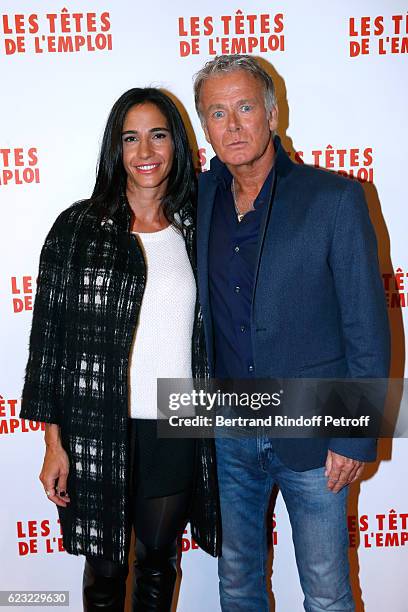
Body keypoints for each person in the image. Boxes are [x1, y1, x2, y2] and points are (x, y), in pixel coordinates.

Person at [193, 55, 390, 611]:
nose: (232, 125)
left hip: (314, 432)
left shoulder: (335, 198)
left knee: (327, 594)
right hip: (229, 433)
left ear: (273, 114)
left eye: (245, 108)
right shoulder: (201, 199)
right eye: (217, 113)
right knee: (237, 587)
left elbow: (366, 329)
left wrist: (354, 434)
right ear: (205, 126)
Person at [20, 87, 220, 612]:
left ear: (176, 144)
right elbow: (49, 343)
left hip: (177, 421)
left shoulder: (198, 227)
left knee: (158, 564)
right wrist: (53, 442)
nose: (145, 151)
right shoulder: (78, 229)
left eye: (157, 135)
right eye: (131, 138)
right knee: (104, 570)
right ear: (116, 149)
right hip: (95, 423)